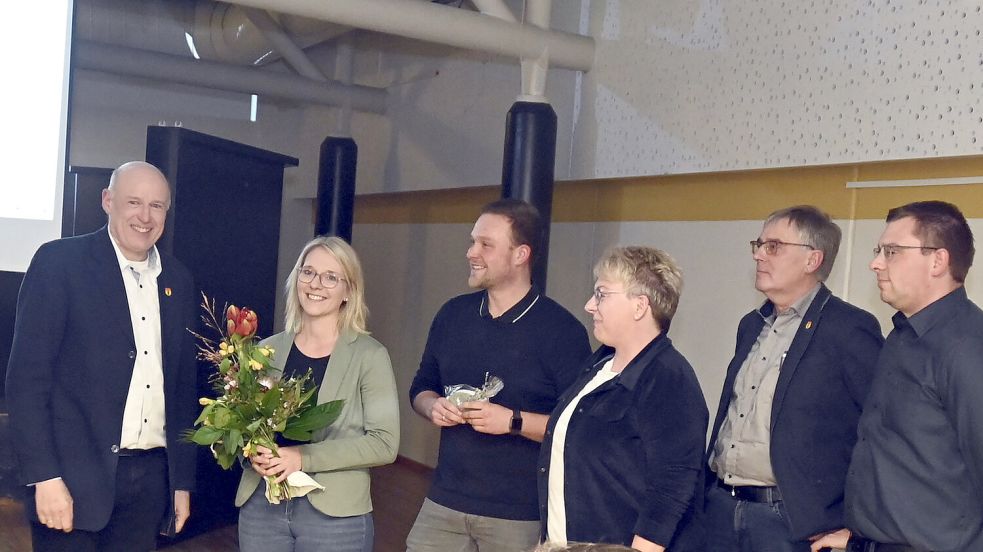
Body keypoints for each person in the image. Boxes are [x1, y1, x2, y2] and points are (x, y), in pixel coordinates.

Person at [5, 161, 198, 551]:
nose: (145, 217)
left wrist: (181, 481)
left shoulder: (178, 280)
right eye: (134, 202)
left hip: (149, 485)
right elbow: (26, 381)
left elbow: (181, 389)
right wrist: (44, 476)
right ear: (107, 201)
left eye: (157, 206)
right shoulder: (60, 264)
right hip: (70, 483)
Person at [406, 198, 591, 552]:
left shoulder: (562, 332)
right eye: (473, 241)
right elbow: (421, 386)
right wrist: (432, 407)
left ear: (520, 255)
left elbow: (578, 428)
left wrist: (513, 421)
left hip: (518, 517)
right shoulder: (452, 315)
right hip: (443, 503)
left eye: (485, 245)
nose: (471, 252)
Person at [704, 205, 884, 552]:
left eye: (773, 247)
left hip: (789, 522)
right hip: (722, 509)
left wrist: (858, 526)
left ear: (812, 260)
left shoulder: (848, 328)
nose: (759, 255)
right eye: (758, 244)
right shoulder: (751, 324)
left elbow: (877, 433)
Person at [812, 201, 983, 552]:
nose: (875, 263)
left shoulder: (967, 347)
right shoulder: (903, 335)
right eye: (879, 251)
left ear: (938, 261)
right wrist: (859, 534)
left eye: (891, 251)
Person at [538, 246, 708, 552]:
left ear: (640, 306)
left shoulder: (669, 379)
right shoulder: (599, 364)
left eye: (602, 294)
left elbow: (671, 491)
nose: (590, 305)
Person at [236, 236, 399, 552]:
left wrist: (303, 457)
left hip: (335, 515)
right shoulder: (264, 351)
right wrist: (251, 450)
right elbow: (245, 425)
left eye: (331, 277)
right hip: (262, 507)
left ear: (348, 291)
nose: (316, 284)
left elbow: (385, 443)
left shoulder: (370, 356)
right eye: (307, 272)